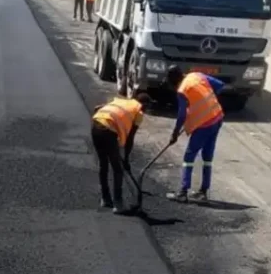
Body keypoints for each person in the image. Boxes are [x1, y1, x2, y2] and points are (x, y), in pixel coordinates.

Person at [165, 65, 226, 203]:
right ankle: (203, 192)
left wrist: (174, 134)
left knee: (189, 156)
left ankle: (183, 192)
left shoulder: (182, 90)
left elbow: (181, 116)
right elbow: (220, 85)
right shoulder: (197, 75)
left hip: (204, 124)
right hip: (217, 117)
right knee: (207, 157)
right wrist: (207, 101)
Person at [91, 92, 152, 214]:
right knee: (117, 169)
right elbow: (130, 138)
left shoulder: (121, 101)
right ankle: (118, 204)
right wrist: (126, 158)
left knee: (103, 164)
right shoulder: (138, 112)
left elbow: (96, 108)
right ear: (144, 105)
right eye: (147, 107)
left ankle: (105, 198)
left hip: (96, 126)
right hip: (108, 131)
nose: (146, 110)